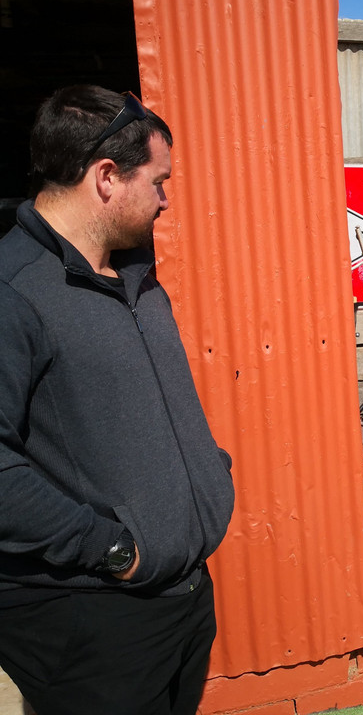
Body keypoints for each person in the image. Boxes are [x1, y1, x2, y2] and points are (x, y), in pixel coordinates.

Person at [0, 85, 235, 715]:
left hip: (181, 601)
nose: (166, 197)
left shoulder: (134, 274)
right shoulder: (13, 292)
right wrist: (115, 550)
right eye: (158, 181)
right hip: (91, 622)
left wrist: (208, 475)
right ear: (107, 178)